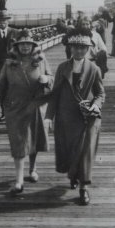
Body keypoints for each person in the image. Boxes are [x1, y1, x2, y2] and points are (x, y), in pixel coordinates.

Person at [0, 30, 54, 195]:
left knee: (34, 139)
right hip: (15, 107)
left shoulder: (41, 60)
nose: (26, 47)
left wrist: (47, 79)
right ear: (17, 46)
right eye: (22, 44)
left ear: (33, 45)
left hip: (35, 105)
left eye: (28, 44)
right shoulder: (9, 63)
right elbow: (0, 84)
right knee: (19, 142)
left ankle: (33, 169)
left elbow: (51, 77)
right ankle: (19, 180)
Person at [41, 27, 105, 206]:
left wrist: (95, 105)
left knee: (85, 153)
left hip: (87, 118)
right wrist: (48, 117)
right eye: (75, 47)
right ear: (70, 48)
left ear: (88, 49)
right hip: (66, 117)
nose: (79, 50)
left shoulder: (94, 69)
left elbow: (100, 93)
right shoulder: (62, 68)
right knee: (70, 152)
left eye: (83, 47)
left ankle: (84, 188)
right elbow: (55, 94)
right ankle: (73, 175)